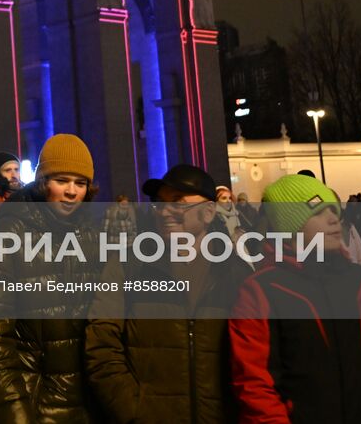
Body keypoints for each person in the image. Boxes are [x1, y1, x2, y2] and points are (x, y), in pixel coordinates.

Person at [229, 173, 361, 423]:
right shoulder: (261, 290)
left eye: (334, 211)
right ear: (289, 228)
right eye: (317, 213)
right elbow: (255, 384)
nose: (333, 220)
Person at [87, 164, 252, 423]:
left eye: (178, 202)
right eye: (160, 203)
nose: (165, 212)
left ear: (209, 212)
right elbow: (101, 344)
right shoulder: (130, 266)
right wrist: (134, 411)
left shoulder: (235, 274)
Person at [0, 134, 102, 423]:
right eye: (62, 180)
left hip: (90, 404)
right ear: (44, 182)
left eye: (80, 183)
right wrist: (15, 415)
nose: (71, 191)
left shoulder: (94, 237)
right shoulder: (10, 237)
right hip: (37, 404)